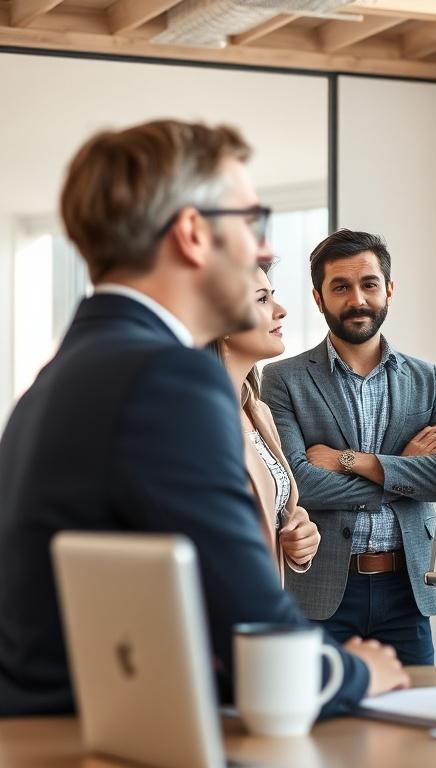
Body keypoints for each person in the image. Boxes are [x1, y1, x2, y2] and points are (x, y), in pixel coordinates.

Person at [0, 120, 408, 717]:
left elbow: (180, 628)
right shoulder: (169, 378)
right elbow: (258, 647)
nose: (264, 249)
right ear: (192, 233)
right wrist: (357, 672)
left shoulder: (62, 375)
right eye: (251, 223)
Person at [262, 229, 436, 666]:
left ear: (388, 289)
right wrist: (403, 471)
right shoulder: (282, 379)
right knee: (323, 723)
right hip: (324, 589)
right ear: (318, 297)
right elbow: (299, 484)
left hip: (407, 591)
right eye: (340, 287)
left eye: (369, 284)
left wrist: (354, 462)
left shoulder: (427, 379)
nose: (357, 299)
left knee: (413, 723)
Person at [210, 265, 321, 582]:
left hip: (267, 604)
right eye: (262, 299)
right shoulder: (196, 422)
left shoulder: (258, 412)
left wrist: (299, 531)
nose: (281, 311)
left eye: (274, 296)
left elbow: (271, 512)